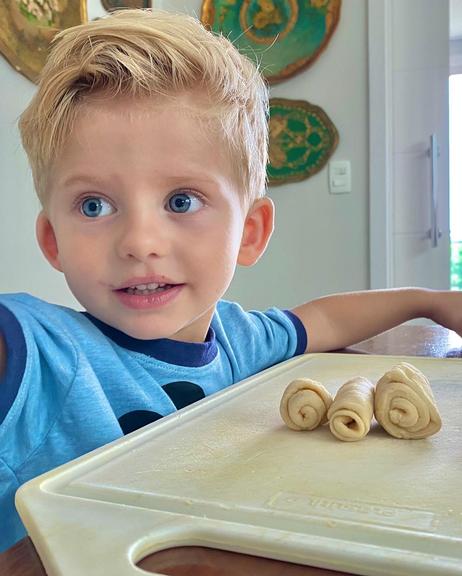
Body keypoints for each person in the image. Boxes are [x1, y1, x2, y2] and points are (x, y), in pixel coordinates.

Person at [0, 9, 460, 553]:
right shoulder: (39, 355)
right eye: (94, 205)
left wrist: (432, 301)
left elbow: (324, 319)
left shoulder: (238, 343)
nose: (140, 241)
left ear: (250, 232)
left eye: (181, 201)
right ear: (53, 240)